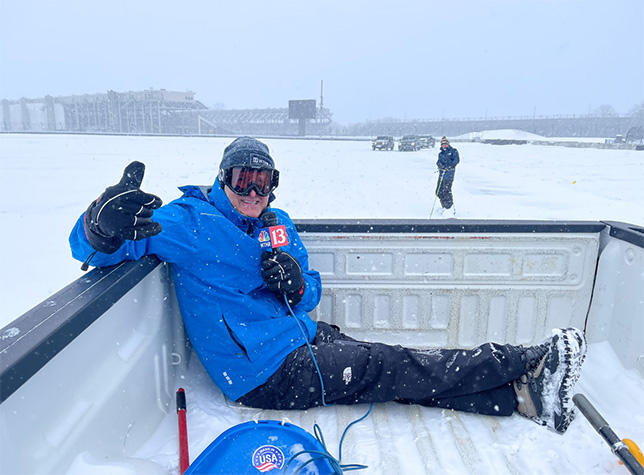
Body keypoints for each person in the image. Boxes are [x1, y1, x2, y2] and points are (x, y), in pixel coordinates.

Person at [69, 136, 586, 434]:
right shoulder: (186, 223)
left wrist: (296, 286)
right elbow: (93, 250)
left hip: (300, 337)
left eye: (264, 181)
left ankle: (518, 400)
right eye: (242, 179)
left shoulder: (278, 223)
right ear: (222, 179)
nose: (253, 191)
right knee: (387, 365)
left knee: (391, 366)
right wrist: (99, 224)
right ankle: (520, 361)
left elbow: (311, 289)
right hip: (262, 374)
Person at [436, 136, 460, 216]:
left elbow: (456, 160)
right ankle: (444, 206)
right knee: (439, 192)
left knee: (447, 191)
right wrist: (440, 166)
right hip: (442, 175)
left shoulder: (453, 151)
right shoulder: (441, 154)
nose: (444, 146)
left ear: (448, 144)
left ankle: (449, 207)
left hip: (449, 176)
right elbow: (438, 162)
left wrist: (451, 166)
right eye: (442, 144)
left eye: (445, 144)